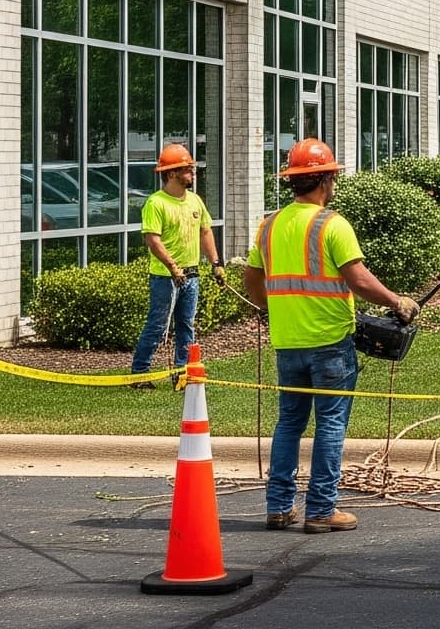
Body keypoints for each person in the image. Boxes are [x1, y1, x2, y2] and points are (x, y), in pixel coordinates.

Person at [239, 139, 418, 534]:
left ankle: (279, 507)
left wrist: (273, 307)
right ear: (325, 179)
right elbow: (358, 280)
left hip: (288, 342)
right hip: (330, 343)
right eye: (333, 176)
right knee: (331, 424)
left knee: (289, 423)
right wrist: (397, 302)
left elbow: (252, 279)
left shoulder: (269, 225)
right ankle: (321, 509)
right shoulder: (332, 224)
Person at [130, 143, 222, 377]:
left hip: (191, 275)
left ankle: (182, 373)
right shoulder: (156, 203)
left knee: (186, 325)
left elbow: (205, 231)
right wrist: (172, 267)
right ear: (172, 173)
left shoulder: (194, 201)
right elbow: (153, 240)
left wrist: (216, 263)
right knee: (158, 326)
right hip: (165, 278)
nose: (193, 172)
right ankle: (140, 371)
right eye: (187, 169)